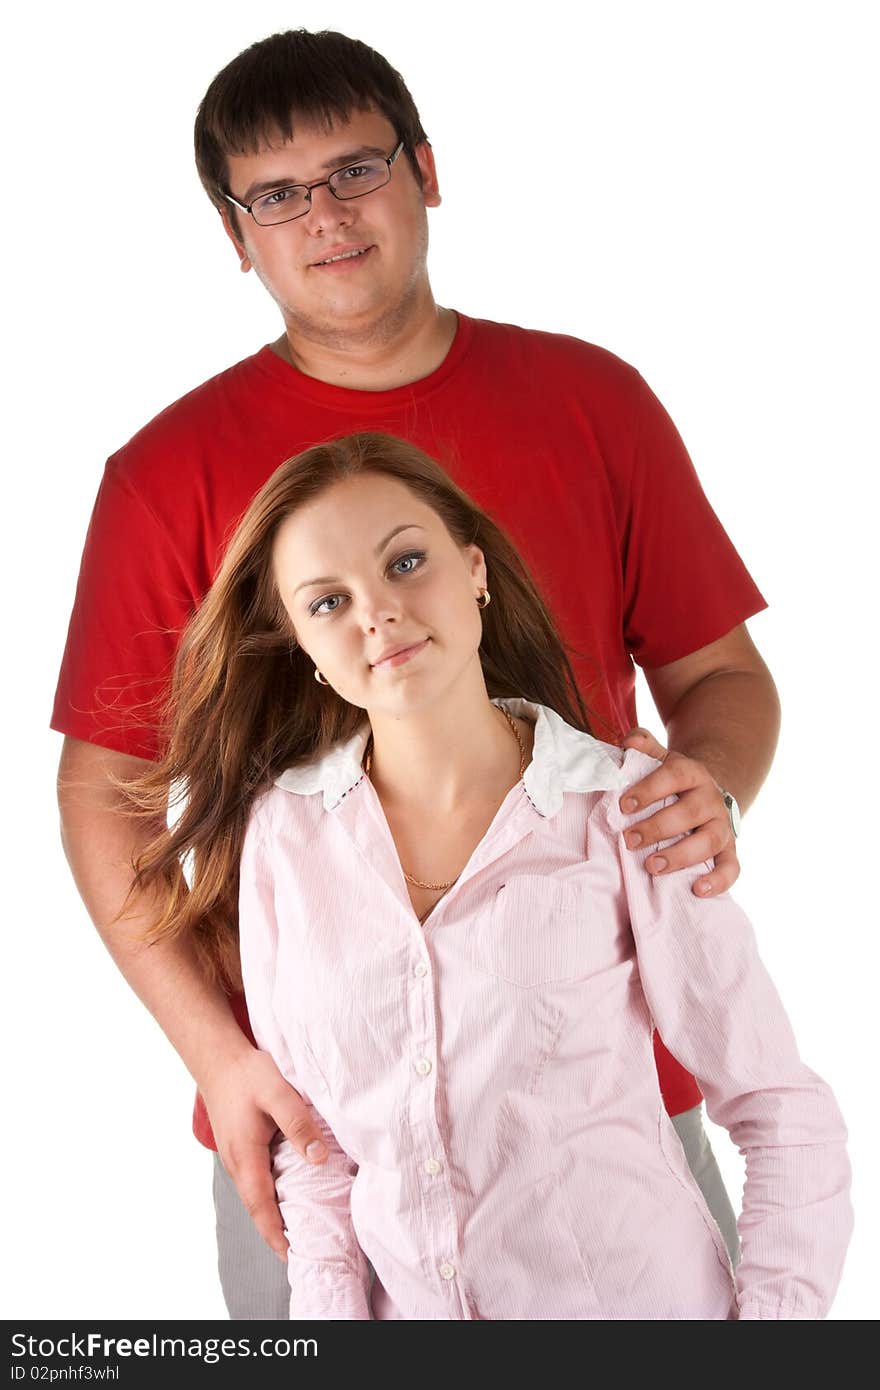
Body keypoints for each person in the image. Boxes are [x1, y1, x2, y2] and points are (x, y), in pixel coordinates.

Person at [52, 29, 781, 1318]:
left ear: (426, 172)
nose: (322, 217)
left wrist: (707, 786)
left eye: (353, 170)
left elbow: (719, 673)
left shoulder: (592, 402)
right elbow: (107, 789)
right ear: (235, 236)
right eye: (273, 195)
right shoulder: (167, 476)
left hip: (607, 1089)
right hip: (326, 1122)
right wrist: (217, 1058)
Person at [117, 432, 851, 1320]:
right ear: (305, 647)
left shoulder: (628, 811)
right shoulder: (281, 841)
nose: (377, 613)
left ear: (474, 570)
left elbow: (783, 1112)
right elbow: (320, 1158)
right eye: (328, 601)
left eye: (407, 561)